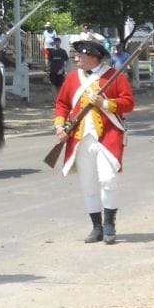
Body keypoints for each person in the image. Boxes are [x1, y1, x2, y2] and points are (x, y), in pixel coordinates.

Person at [53, 38, 135, 245]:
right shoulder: (72, 78)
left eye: (80, 55)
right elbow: (62, 103)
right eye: (76, 54)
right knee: (88, 184)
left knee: (108, 179)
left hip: (108, 136)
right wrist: (59, 126)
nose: (76, 57)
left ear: (93, 57)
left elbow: (128, 103)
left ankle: (109, 225)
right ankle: (96, 227)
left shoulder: (113, 76)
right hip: (80, 137)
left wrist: (105, 103)